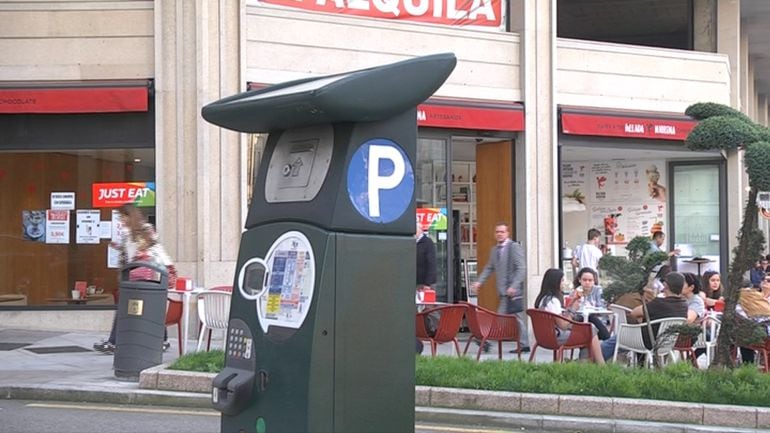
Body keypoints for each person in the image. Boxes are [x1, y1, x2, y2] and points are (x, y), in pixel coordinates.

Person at [94, 204, 177, 354]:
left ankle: (114, 342)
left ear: (130, 216)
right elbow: (131, 252)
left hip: (144, 277)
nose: (121, 220)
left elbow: (149, 249)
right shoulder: (129, 233)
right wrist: (119, 248)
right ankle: (162, 340)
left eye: (122, 217)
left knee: (134, 308)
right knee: (148, 307)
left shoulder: (144, 230)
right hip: (133, 277)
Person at [471, 222, 528, 352]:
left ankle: (488, 341)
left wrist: (514, 286)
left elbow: (521, 268)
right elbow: (489, 268)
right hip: (503, 291)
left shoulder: (514, 247)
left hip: (513, 292)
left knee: (506, 317)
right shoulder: (494, 250)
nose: (499, 234)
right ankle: (523, 344)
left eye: (502, 232)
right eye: (497, 232)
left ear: (507, 233)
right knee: (512, 318)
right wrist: (479, 282)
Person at [534, 268, 605, 364]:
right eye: (562, 280)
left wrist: (572, 301)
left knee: (588, 329)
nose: (564, 283)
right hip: (556, 337)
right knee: (589, 329)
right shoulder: (553, 301)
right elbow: (563, 325)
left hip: (544, 336)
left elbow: (560, 316)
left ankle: (586, 364)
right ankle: (600, 364)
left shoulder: (543, 299)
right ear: (555, 282)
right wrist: (572, 310)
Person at [569, 267, 610, 340]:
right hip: (579, 322)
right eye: (584, 280)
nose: (587, 282)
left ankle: (606, 339)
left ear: (594, 281)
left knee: (591, 317)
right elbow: (571, 310)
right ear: (579, 280)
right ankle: (607, 339)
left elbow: (602, 308)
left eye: (590, 280)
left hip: (597, 321)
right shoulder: (575, 292)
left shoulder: (598, 290)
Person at [415, 222, 437, 354]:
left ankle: (434, 330)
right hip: (413, 281)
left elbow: (431, 264)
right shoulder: (411, 242)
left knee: (429, 308)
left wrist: (428, 284)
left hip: (425, 282)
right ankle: (418, 332)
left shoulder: (427, 243)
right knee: (416, 309)